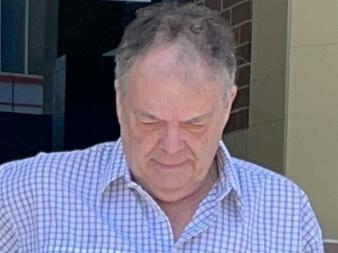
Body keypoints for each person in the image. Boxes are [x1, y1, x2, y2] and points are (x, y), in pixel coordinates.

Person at [0, 3, 324, 253]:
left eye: (194, 124)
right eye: (150, 121)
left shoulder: (284, 211)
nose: (171, 146)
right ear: (119, 99)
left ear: (227, 106)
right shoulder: (37, 192)